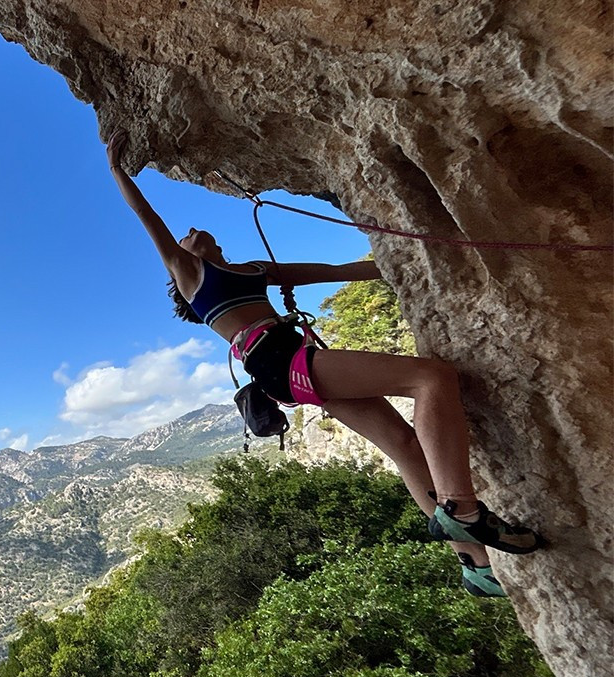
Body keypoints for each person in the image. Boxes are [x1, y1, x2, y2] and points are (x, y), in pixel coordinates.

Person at [104, 129, 542, 597]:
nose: (189, 232)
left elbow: (335, 272)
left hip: (292, 365)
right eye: (186, 238)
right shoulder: (193, 276)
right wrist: (116, 170)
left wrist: (414, 256)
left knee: (404, 444)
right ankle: (462, 508)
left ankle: (475, 567)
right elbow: (148, 217)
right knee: (431, 378)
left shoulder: (254, 270)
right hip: (283, 359)